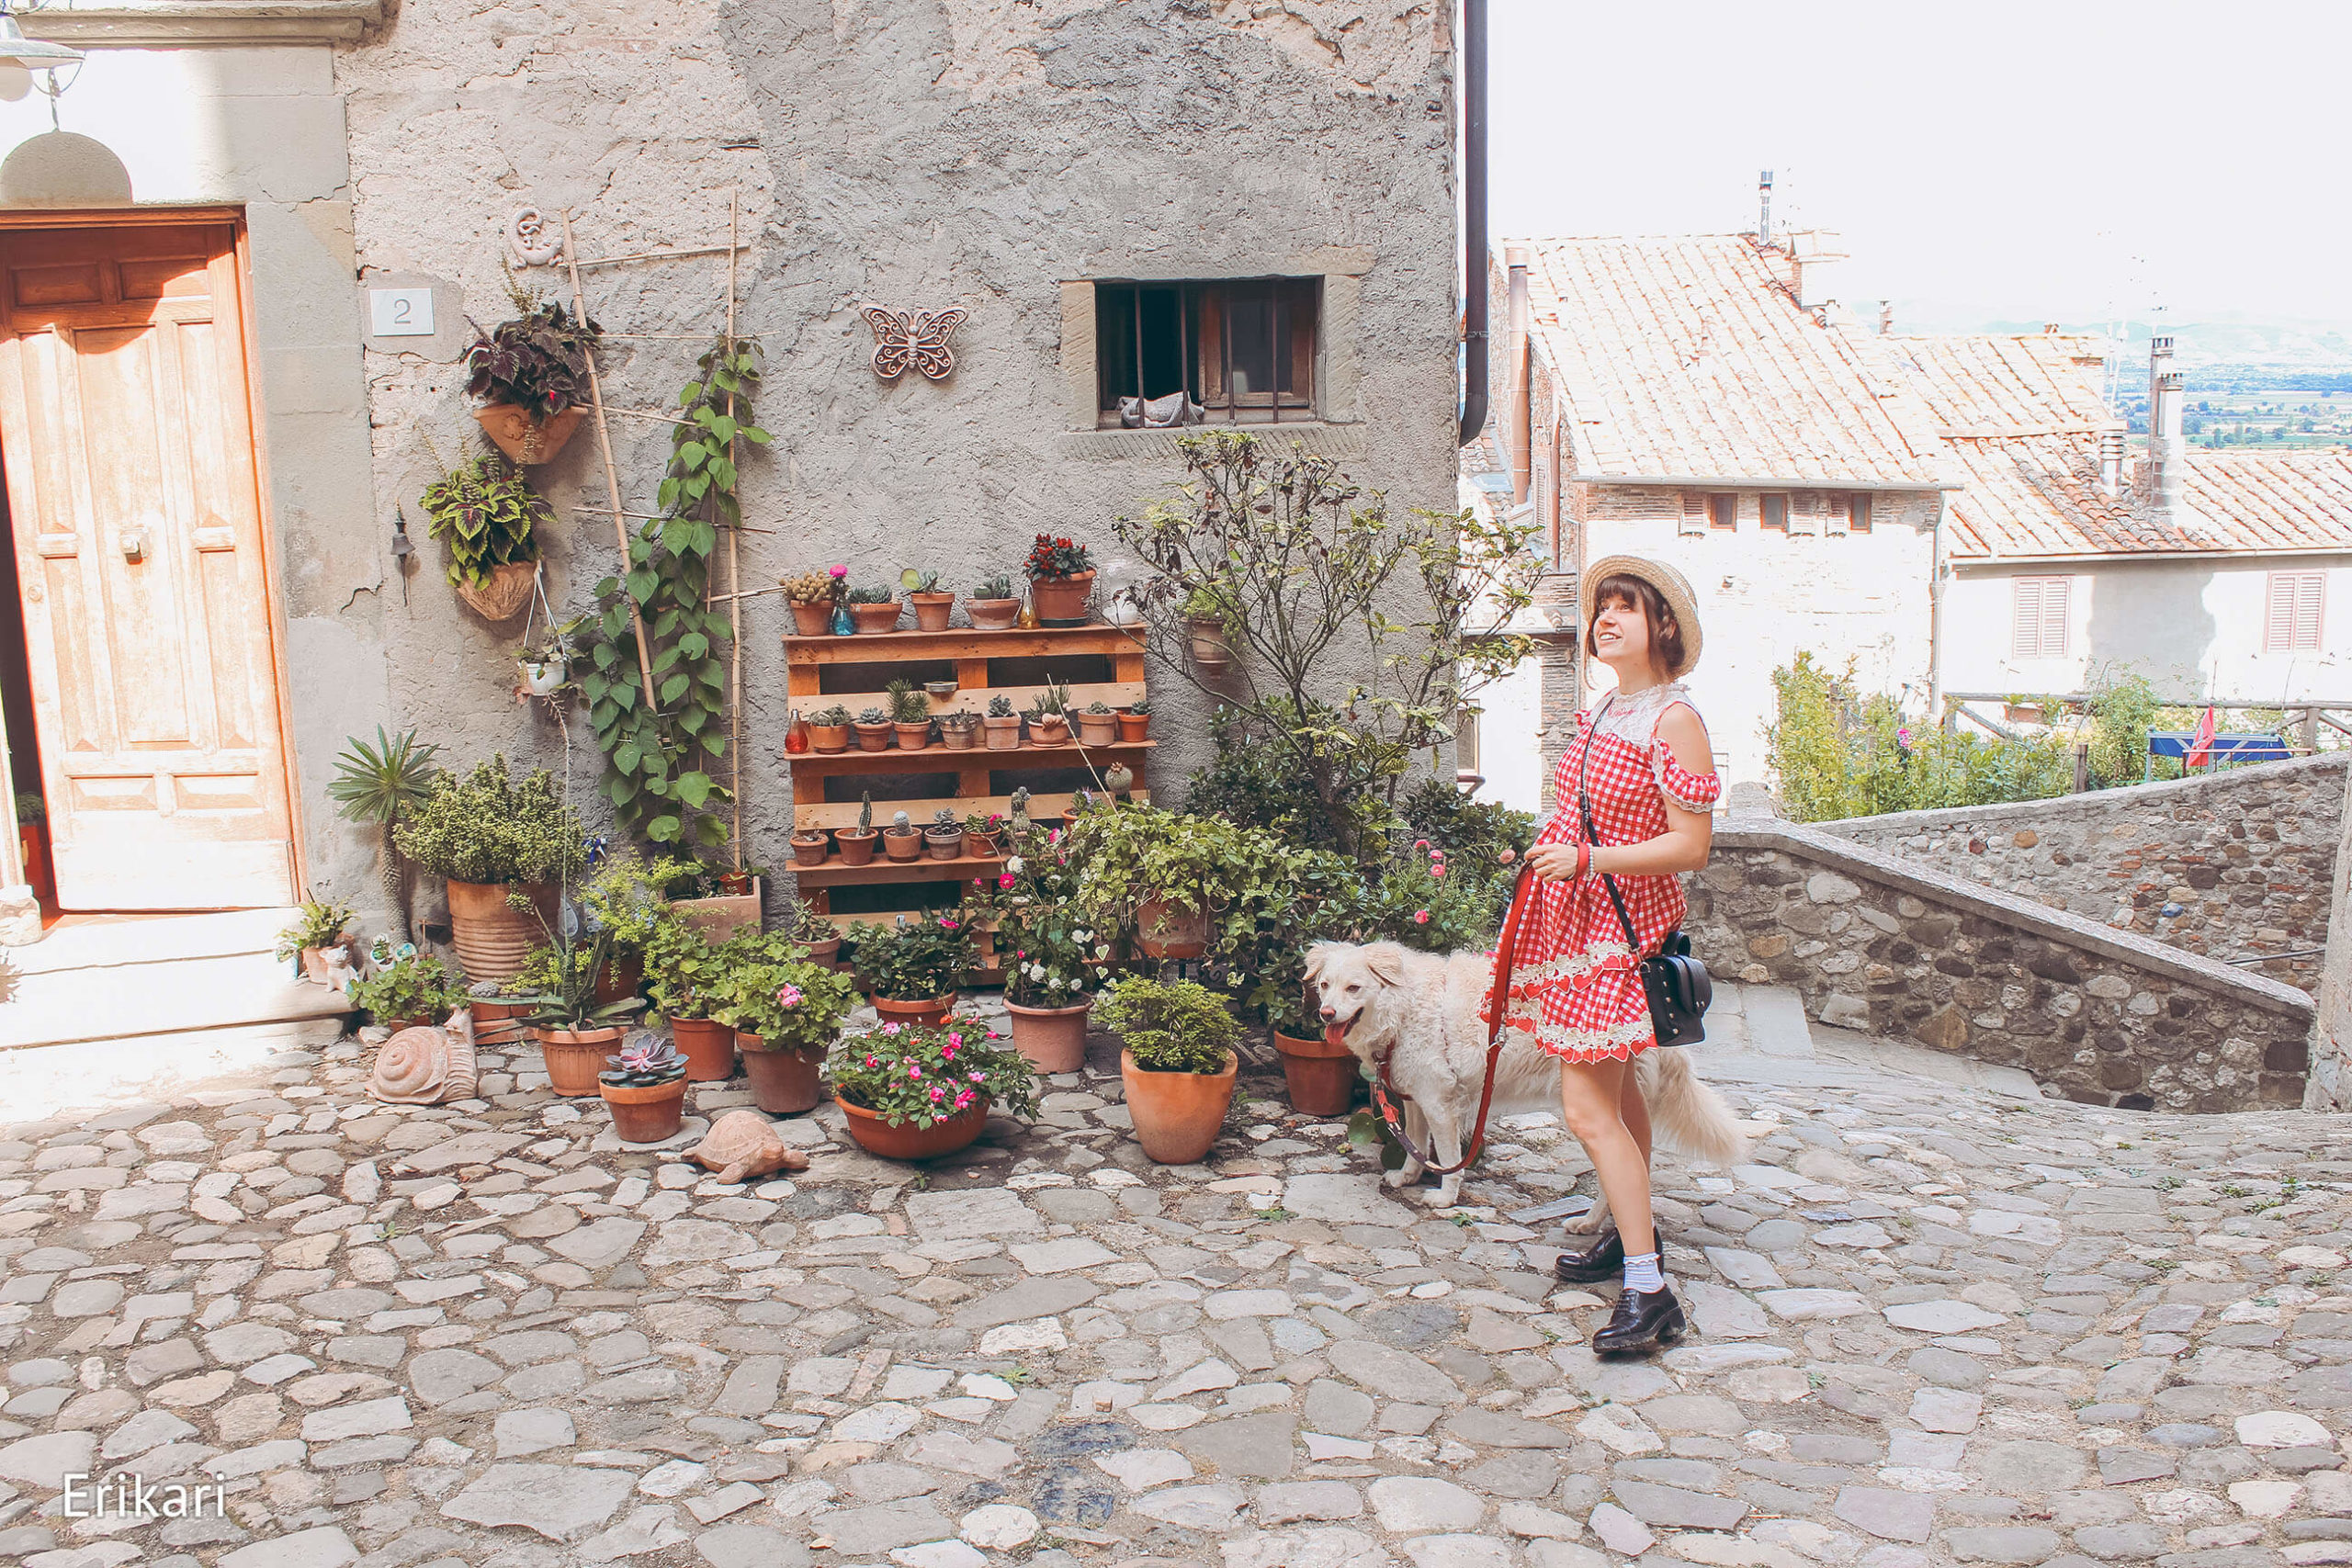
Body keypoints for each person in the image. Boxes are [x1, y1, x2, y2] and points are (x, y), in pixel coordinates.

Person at [1499, 556, 1720, 1355]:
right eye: (1602, 607)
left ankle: (1650, 1291)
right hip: (1579, 925)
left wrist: (1589, 863)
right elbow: (1581, 814)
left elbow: (1691, 845)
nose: (1606, 618)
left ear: (1662, 626)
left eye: (1625, 606)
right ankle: (1634, 1241)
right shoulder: (1603, 711)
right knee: (1621, 1103)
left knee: (1586, 1110)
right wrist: (1549, 850)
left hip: (1621, 939)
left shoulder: (1673, 720)